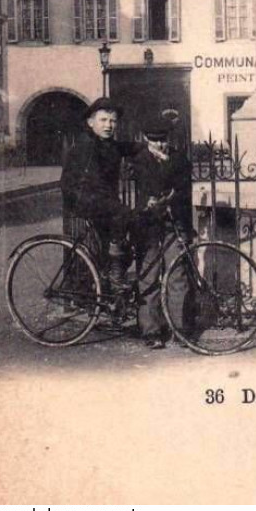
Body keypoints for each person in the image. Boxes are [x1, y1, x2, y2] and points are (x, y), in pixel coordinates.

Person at [60, 97, 138, 289]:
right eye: (103, 120)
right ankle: (114, 273)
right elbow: (93, 181)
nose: (109, 125)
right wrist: (116, 205)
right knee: (123, 215)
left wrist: (149, 147)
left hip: (98, 198)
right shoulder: (87, 145)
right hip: (81, 199)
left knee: (123, 235)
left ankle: (112, 271)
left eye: (112, 121)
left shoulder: (105, 143)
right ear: (90, 122)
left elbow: (125, 147)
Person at [129, 120, 193, 350]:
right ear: (146, 139)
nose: (160, 144)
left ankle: (181, 329)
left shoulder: (179, 158)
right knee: (149, 276)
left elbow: (183, 191)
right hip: (148, 226)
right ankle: (151, 331)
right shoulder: (140, 159)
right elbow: (152, 185)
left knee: (178, 276)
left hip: (174, 224)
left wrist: (186, 229)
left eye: (163, 139)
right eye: (154, 140)